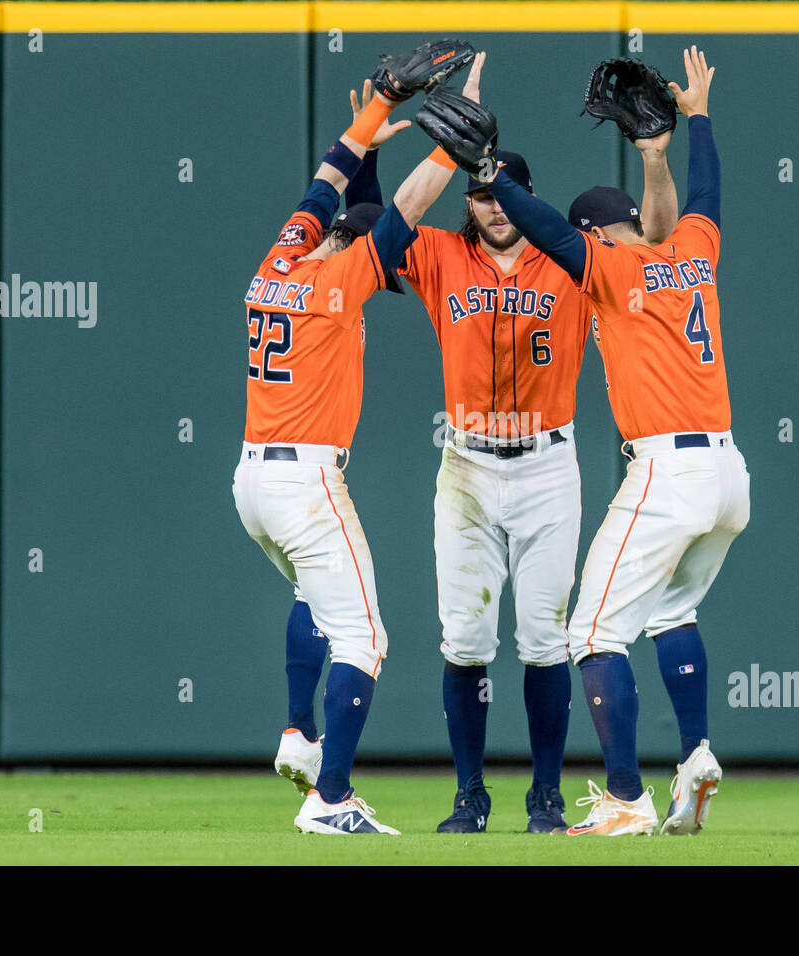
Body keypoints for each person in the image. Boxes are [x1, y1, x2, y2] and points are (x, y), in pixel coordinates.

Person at [429, 46, 749, 836]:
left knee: (591, 634)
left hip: (668, 470)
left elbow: (542, 227)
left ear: (595, 236)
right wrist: (687, 126)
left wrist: (489, 169)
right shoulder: (694, 253)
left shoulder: (607, 269)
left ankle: (627, 799)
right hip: (730, 473)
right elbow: (704, 194)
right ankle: (699, 751)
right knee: (673, 613)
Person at [233, 44, 473, 834]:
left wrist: (370, 116)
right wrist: (450, 145)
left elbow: (327, 182)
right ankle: (329, 800)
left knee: (315, 598)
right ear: (363, 255)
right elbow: (404, 211)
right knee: (366, 639)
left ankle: (300, 735)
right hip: (303, 483)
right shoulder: (342, 281)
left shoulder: (281, 260)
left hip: (251, 485)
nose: (388, 278)